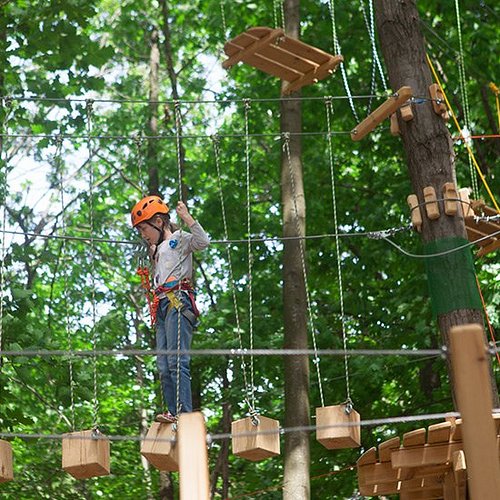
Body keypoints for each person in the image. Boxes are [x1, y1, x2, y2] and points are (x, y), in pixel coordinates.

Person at [131, 195, 210, 423]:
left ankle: (184, 414)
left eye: (144, 228)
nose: (143, 235)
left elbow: (203, 242)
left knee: (177, 361)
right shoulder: (156, 249)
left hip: (178, 301)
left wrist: (187, 218)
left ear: (158, 221)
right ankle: (172, 412)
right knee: (163, 365)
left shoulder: (179, 239)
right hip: (163, 306)